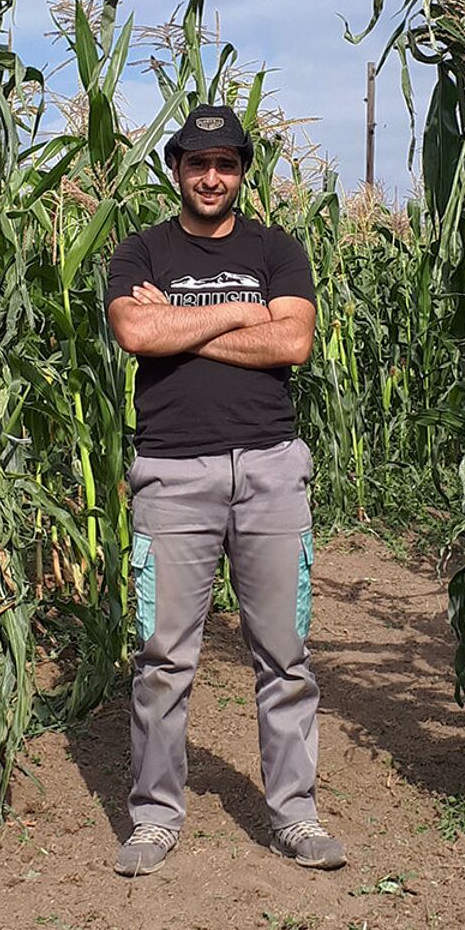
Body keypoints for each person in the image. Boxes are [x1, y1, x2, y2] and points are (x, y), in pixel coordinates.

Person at [103, 103, 347, 877]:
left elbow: (295, 340)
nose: (212, 177)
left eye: (227, 164)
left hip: (272, 469)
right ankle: (154, 817)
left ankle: (295, 815)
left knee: (284, 655)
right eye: (197, 163)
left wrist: (187, 316)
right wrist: (245, 312)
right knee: (164, 660)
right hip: (173, 473)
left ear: (242, 172)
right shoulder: (139, 248)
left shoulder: (278, 249)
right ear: (176, 168)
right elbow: (136, 336)